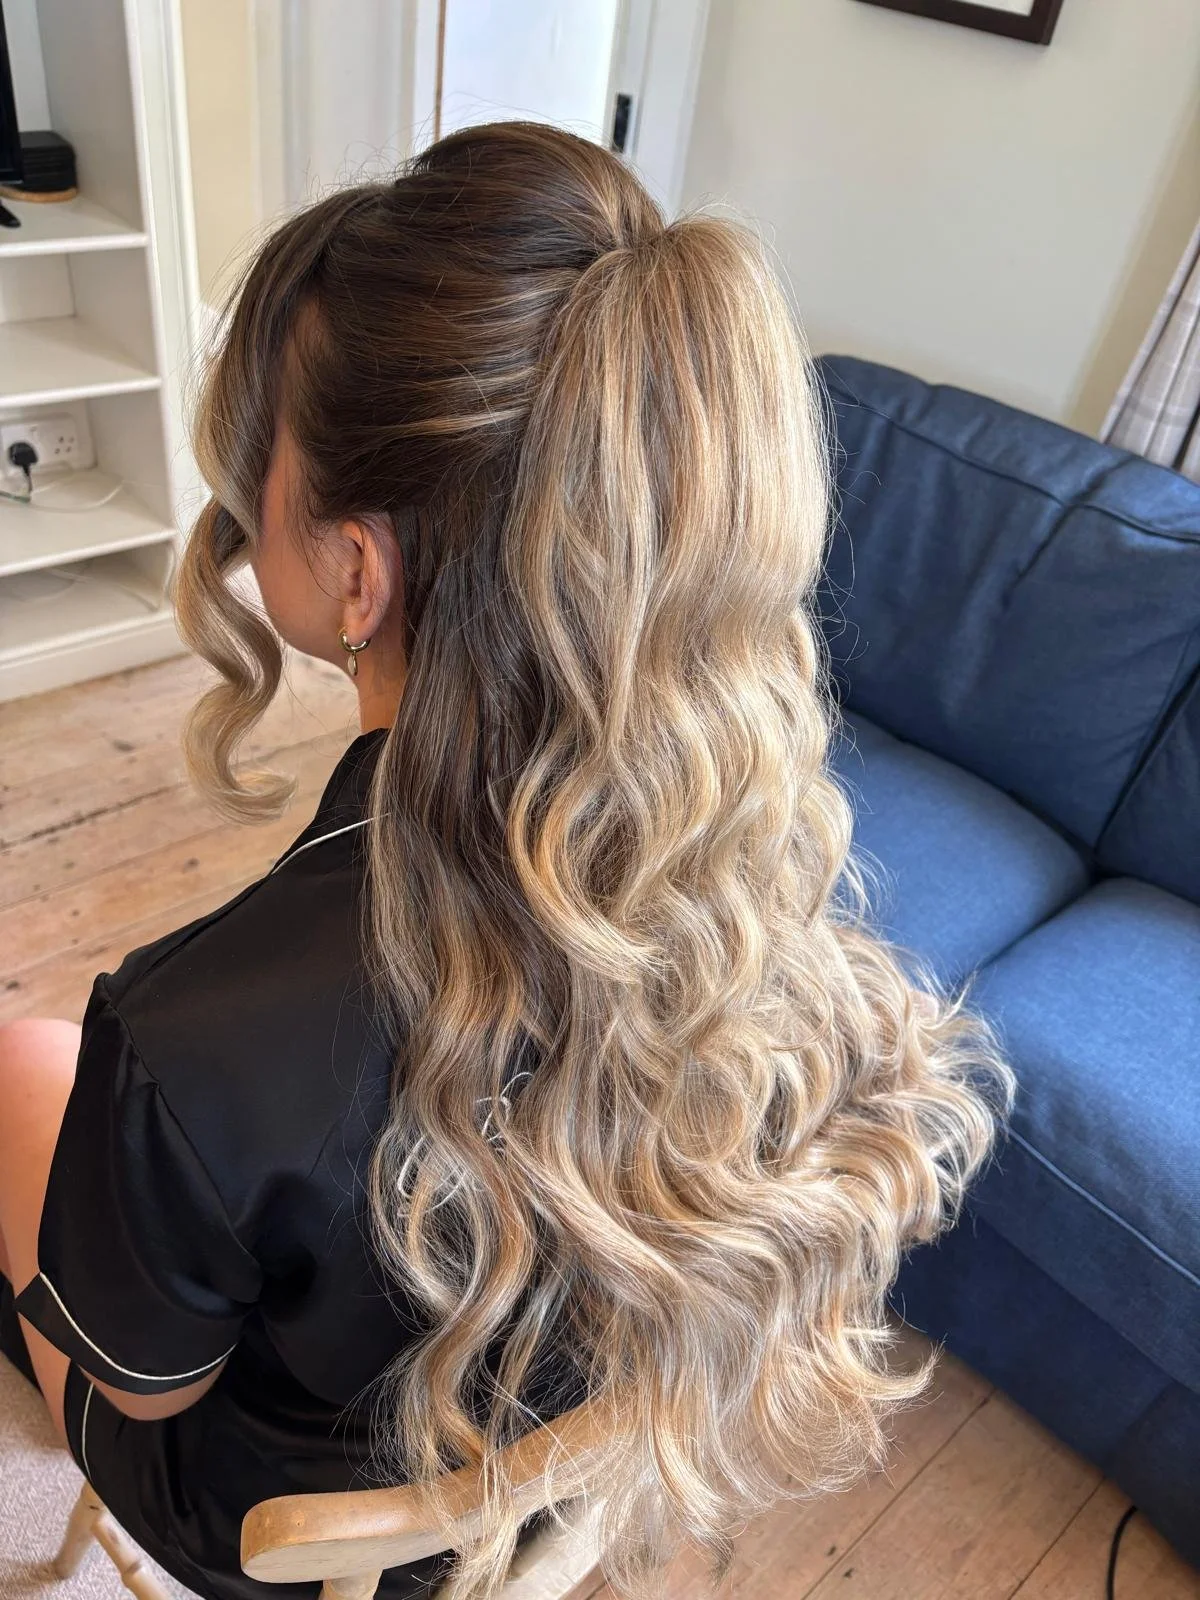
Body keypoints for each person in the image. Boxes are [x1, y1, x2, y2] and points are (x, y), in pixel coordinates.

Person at [0, 122, 1011, 1600]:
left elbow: (150, 1402)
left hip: (287, 1531)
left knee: (26, 1064)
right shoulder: (744, 866)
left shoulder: (192, 1042)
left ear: (359, 572)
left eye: (257, 459)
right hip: (529, 1473)